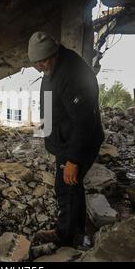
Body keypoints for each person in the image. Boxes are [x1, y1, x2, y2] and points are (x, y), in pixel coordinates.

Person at [28, 31, 104, 248]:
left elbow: (84, 122)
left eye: (44, 61)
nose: (41, 66)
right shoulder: (53, 65)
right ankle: (76, 230)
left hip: (78, 141)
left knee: (67, 187)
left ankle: (67, 237)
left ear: (55, 53)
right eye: (36, 64)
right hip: (65, 138)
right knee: (71, 186)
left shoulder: (72, 74)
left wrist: (73, 160)